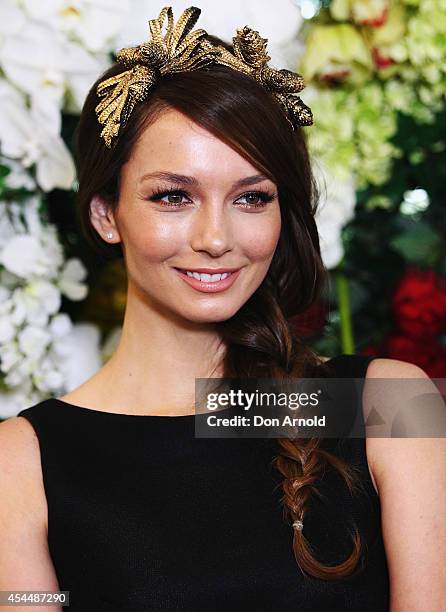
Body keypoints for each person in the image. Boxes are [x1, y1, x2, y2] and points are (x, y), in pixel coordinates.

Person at [1, 6, 445, 611]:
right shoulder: (20, 462)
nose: (216, 237)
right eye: (173, 196)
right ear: (106, 213)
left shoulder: (393, 406)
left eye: (251, 197)